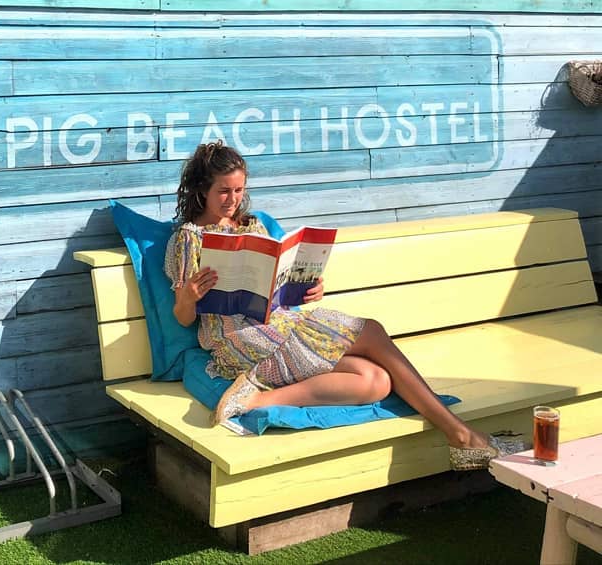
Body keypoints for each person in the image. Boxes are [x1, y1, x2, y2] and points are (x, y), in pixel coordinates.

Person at [164, 140, 521, 471]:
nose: (232, 199)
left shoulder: (254, 227)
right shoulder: (187, 239)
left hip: (277, 322)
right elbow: (183, 319)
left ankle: (254, 400)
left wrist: (303, 288)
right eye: (223, 191)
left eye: (239, 190)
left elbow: (272, 286)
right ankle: (460, 435)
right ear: (202, 190)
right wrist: (189, 297)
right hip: (235, 338)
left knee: (376, 380)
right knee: (372, 331)